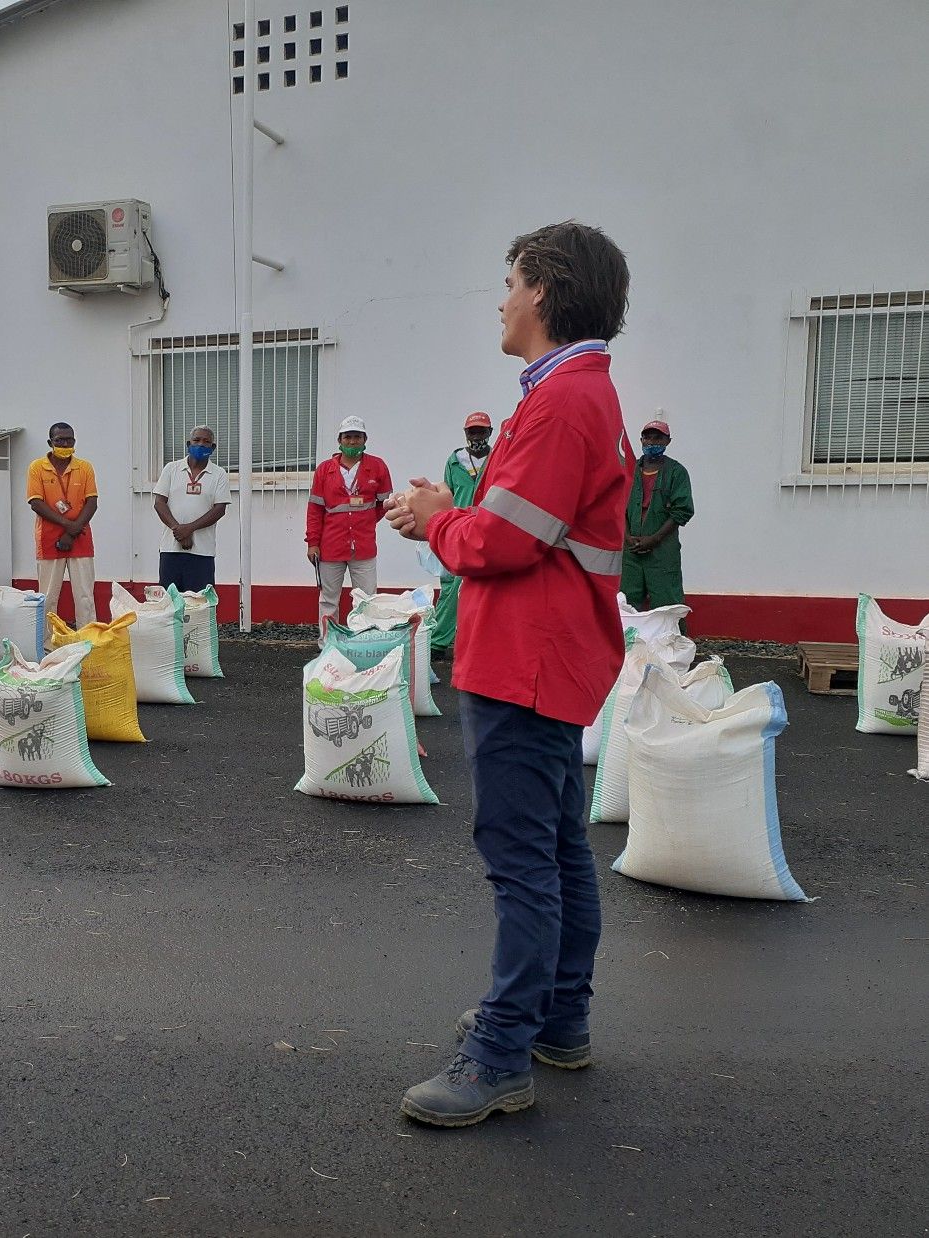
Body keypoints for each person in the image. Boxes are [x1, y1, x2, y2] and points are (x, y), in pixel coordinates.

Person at [386, 220, 633, 1128]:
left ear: (543, 291)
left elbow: (501, 539)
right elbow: (523, 525)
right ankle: (555, 1018)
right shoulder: (574, 395)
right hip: (546, 654)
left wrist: (437, 518)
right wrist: (452, 513)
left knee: (522, 858)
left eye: (509, 281)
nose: (499, 298)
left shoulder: (563, 400)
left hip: (525, 659)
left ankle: (498, 1056)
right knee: (557, 847)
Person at [306, 415, 393, 639]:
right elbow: (315, 510)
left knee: (366, 599)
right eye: (348, 437)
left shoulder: (377, 466)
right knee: (328, 599)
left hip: (363, 546)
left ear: (365, 439)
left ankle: (364, 642)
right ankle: (328, 644)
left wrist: (364, 522)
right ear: (339, 440)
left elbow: (384, 504)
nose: (352, 442)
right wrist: (313, 543)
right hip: (330, 546)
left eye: (357, 437)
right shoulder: (325, 470)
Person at [428, 412, 494, 655]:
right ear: (465, 434)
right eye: (472, 431)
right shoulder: (454, 462)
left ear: (490, 432)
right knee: (451, 586)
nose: (477, 436)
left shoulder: (499, 457)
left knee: (488, 588)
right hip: (460, 529)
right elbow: (447, 496)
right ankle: (438, 642)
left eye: (481, 431)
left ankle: (483, 644)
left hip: (489, 529)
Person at [26, 422, 98, 626]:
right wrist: (69, 526)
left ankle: (88, 638)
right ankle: (47, 643)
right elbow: (36, 502)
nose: (65, 444)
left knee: (85, 596)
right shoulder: (37, 467)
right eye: (60, 440)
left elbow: (92, 502)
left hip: (81, 537)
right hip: (49, 538)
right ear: (50, 442)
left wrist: (73, 531)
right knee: (48, 596)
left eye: (69, 440)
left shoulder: (84, 467)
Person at [620, 418, 694, 611]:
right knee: (626, 603)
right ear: (641, 440)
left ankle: (672, 641)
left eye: (658, 438)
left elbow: (682, 511)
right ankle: (628, 642)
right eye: (648, 438)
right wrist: (627, 536)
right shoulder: (629, 470)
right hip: (630, 549)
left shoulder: (676, 472)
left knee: (667, 603)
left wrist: (655, 539)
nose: (652, 442)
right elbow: (617, 506)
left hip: (662, 550)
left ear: (668, 441)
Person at [152, 424, 230, 592]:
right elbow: (159, 503)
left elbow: (220, 509)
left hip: (202, 552)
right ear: (188, 444)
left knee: (200, 605)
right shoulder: (171, 469)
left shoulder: (219, 474)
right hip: (170, 549)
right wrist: (177, 529)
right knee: (170, 605)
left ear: (213, 447)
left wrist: (189, 529)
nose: (201, 444)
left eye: (206, 441)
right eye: (196, 440)